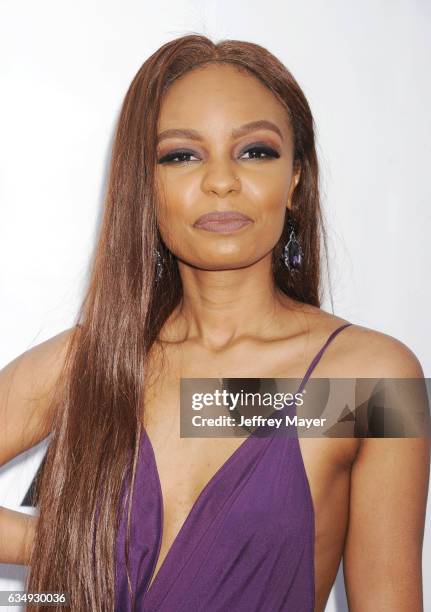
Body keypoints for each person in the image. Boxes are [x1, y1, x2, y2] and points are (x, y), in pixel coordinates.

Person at [0, 34, 429, 612]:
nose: (221, 181)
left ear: (296, 179)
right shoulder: (90, 360)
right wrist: (60, 543)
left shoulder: (372, 383)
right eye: (182, 155)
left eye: (255, 151)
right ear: (145, 186)